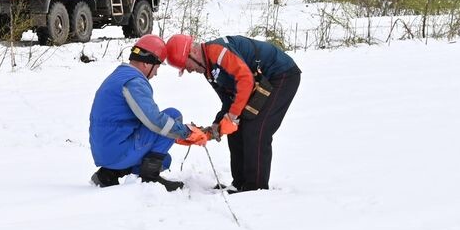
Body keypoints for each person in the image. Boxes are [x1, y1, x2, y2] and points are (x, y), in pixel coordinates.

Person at [165, 34, 301, 193]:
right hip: (259, 81)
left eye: (185, 66)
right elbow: (229, 100)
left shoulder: (218, 52)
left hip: (281, 75)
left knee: (256, 129)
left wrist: (232, 116)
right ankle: (239, 183)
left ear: (193, 52)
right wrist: (216, 126)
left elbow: (245, 80)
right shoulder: (209, 71)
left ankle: (255, 189)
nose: (188, 70)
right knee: (235, 128)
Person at [89, 35, 209, 191]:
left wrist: (177, 134)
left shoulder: (119, 76)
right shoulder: (134, 82)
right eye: (157, 67)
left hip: (106, 149)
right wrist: (186, 132)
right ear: (146, 63)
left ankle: (108, 174)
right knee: (173, 115)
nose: (156, 73)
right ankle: (149, 179)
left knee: (164, 160)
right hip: (116, 151)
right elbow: (154, 121)